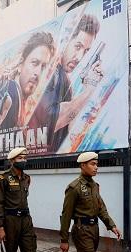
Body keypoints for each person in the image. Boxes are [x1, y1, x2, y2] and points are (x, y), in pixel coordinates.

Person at [28, 14, 104, 153]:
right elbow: (52, 121)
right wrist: (89, 90)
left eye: (86, 51)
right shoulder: (51, 72)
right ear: (65, 40)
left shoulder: (64, 78)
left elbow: (69, 130)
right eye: (77, 46)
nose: (80, 57)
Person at [0, 31, 56, 137]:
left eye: (43, 67)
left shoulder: (23, 102)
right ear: (20, 65)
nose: (38, 73)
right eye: (35, 63)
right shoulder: (11, 90)